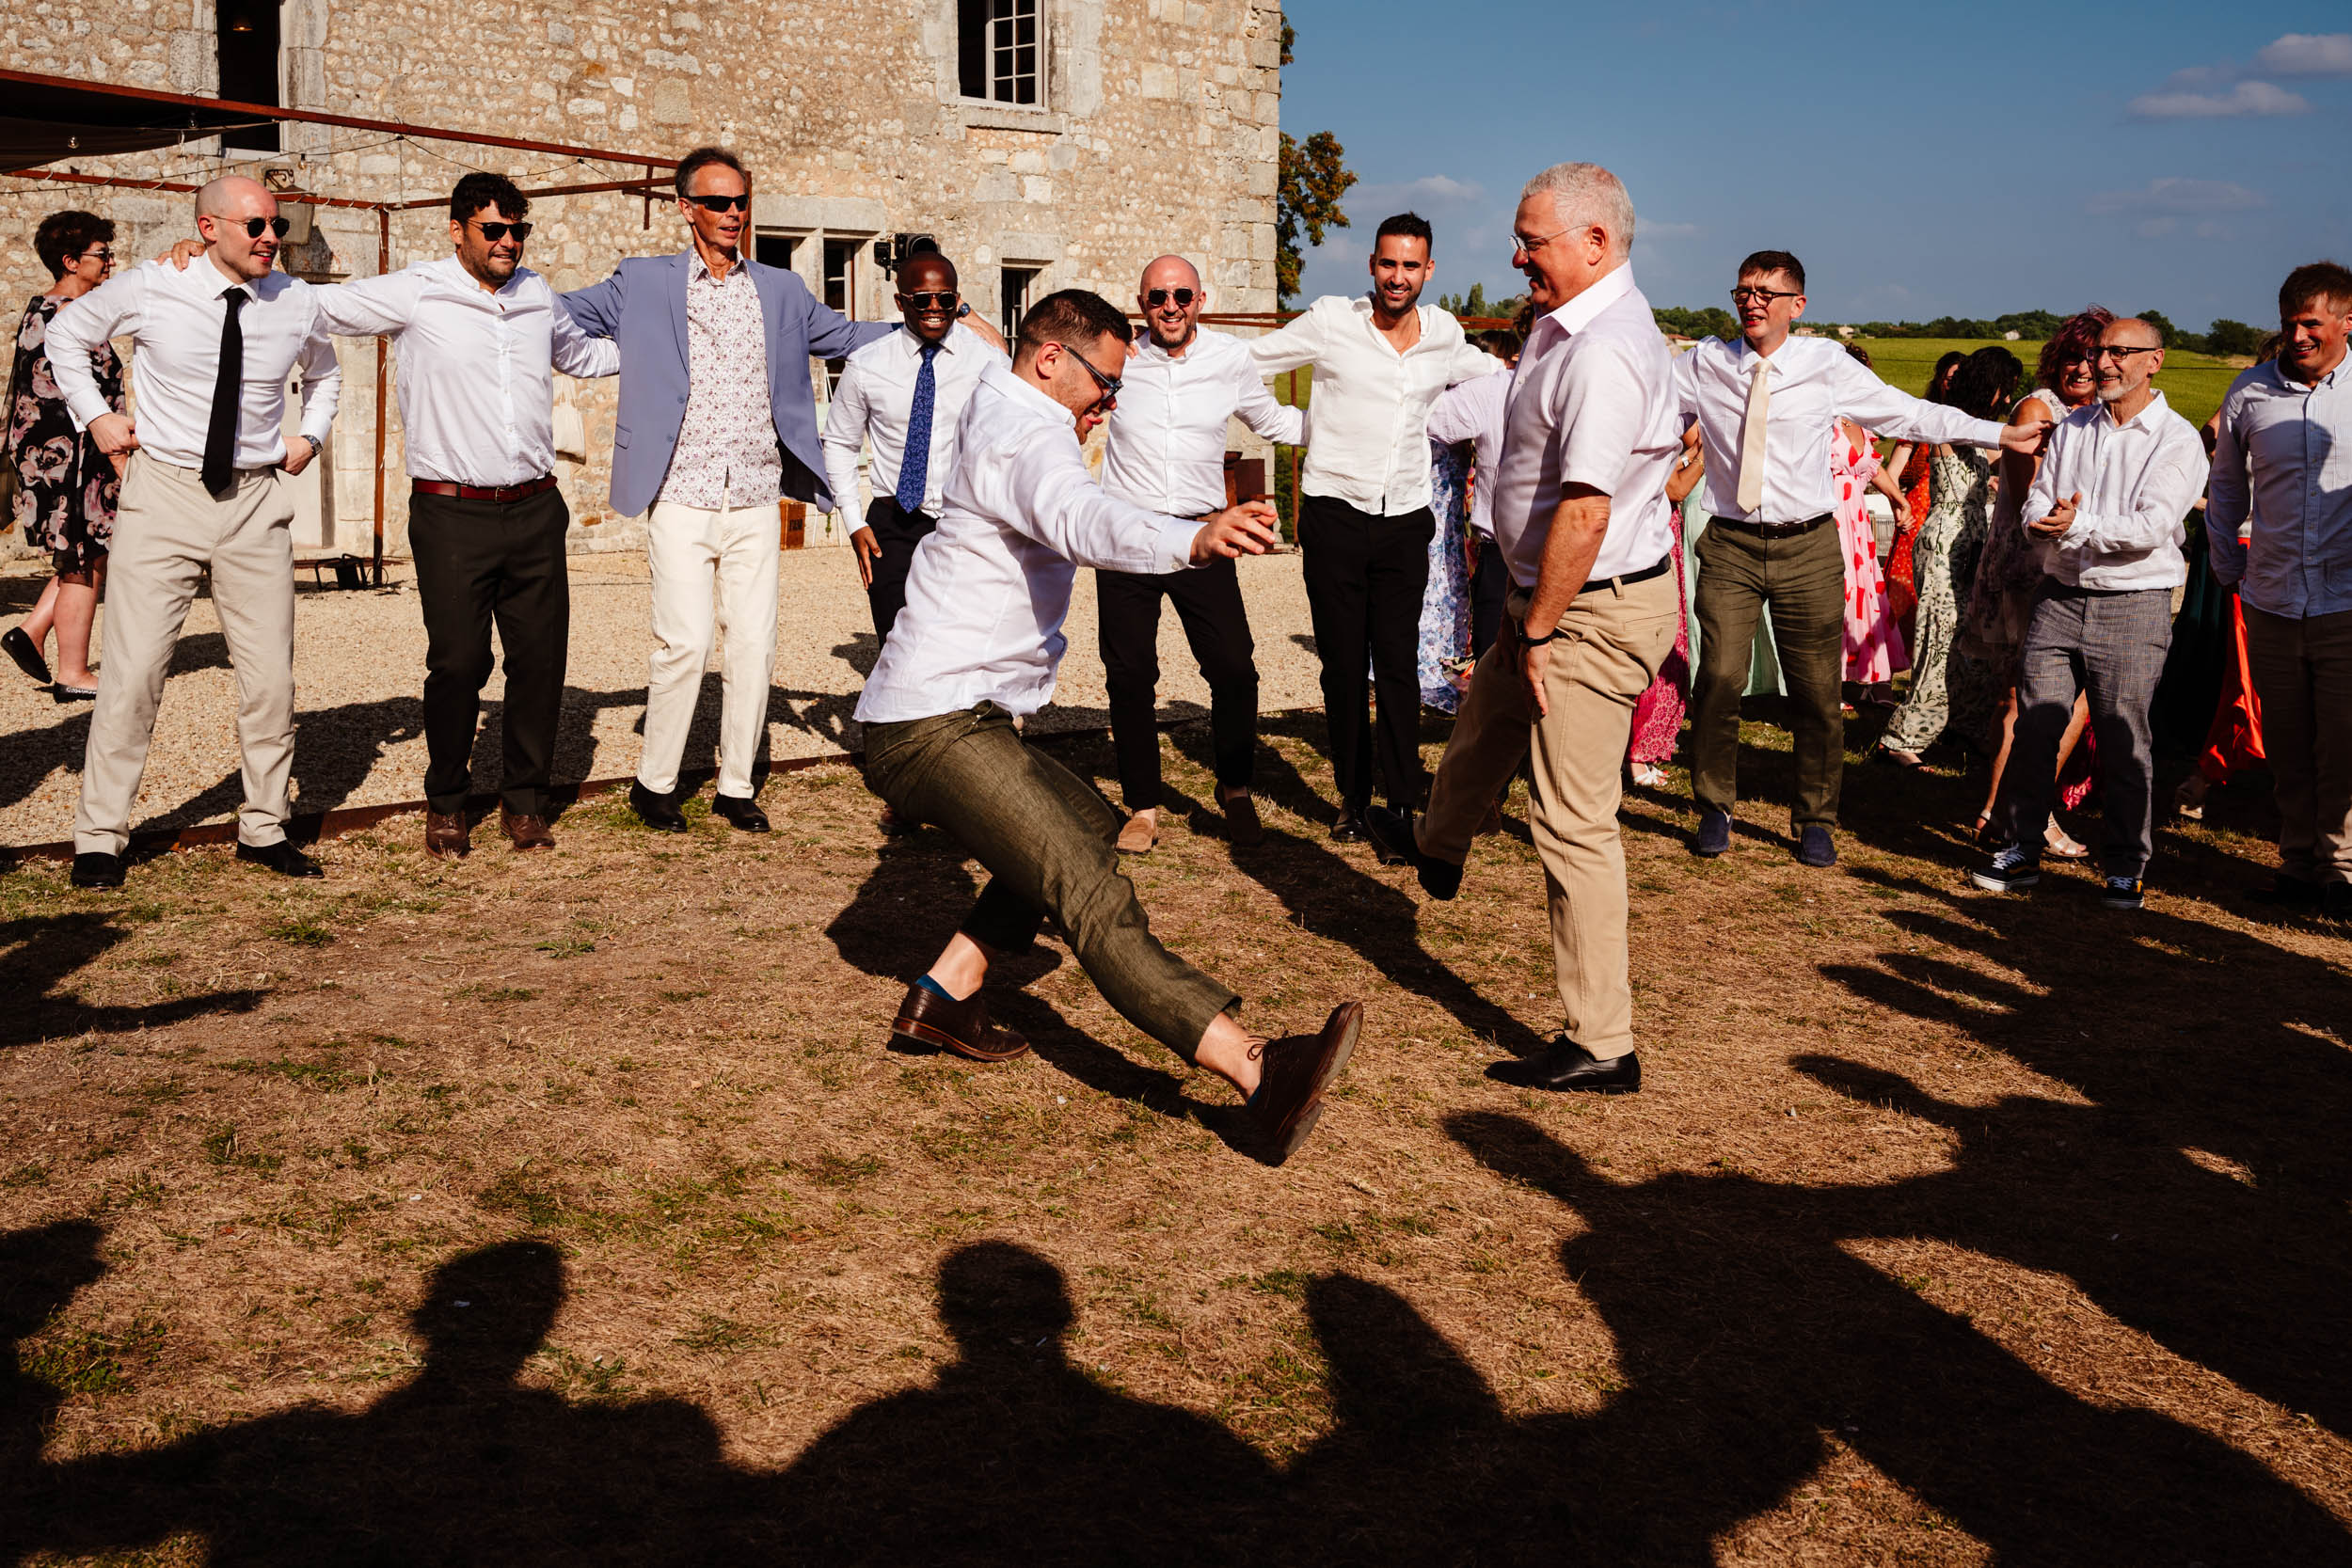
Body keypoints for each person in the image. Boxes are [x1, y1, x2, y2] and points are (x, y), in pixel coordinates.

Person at [853, 289, 1360, 1163]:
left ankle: (945, 993)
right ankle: (1256, 1070)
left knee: (1087, 824)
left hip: (951, 711)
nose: (1111, 402)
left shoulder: (1011, 405)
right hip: (932, 722)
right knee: (1090, 886)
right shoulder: (1024, 436)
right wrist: (1192, 539)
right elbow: (1083, 519)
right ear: (1051, 359)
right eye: (1105, 381)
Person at [1363, 162, 1682, 1095]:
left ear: (1594, 242)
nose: (1514, 255)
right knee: (1481, 728)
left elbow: (1584, 512)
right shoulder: (1559, 328)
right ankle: (1439, 844)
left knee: (1571, 820)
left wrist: (1538, 630)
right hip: (1548, 600)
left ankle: (1602, 1043)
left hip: (1589, 608)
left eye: (1530, 239)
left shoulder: (1604, 349)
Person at [560, 147, 900, 838]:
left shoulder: (779, 290)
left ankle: (736, 786)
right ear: (685, 208)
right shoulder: (644, 282)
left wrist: (933, 324)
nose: (734, 214)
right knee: (682, 643)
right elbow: (559, 312)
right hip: (679, 493)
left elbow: (847, 336)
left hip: (754, 496)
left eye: (741, 201)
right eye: (718, 202)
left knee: (753, 643)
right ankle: (655, 784)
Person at [283, 174, 618, 858]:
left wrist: (668, 352)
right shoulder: (417, 289)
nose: (509, 242)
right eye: (494, 230)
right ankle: (447, 801)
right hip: (450, 513)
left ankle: (524, 804)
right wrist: (215, 271)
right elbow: (318, 305)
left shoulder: (535, 294)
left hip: (535, 508)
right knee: (459, 664)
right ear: (457, 228)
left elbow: (580, 354)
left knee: (539, 663)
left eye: (518, 230)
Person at [1677, 257, 2045, 867]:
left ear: (1798, 304)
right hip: (1731, 542)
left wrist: (1998, 435)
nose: (1753, 301)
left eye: (1768, 292)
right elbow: (1639, 401)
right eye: (1744, 290)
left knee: (1819, 692)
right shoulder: (1706, 362)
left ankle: (1816, 817)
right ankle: (1716, 804)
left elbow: (1909, 413)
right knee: (1717, 680)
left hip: (1807, 546)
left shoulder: (1825, 364)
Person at [45, 175, 340, 889]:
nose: (273, 237)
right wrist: (95, 413)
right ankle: (99, 838)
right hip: (164, 495)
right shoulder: (155, 285)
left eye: (277, 225)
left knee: (269, 677)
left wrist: (311, 436)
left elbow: (327, 372)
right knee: (134, 673)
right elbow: (66, 331)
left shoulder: (296, 302)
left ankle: (264, 829)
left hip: (255, 501)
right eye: (256, 226)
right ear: (209, 229)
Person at [1249, 214, 1498, 840]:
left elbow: (1491, 377)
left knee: (1395, 665)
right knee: (1340, 665)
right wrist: (1299, 428)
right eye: (1388, 264)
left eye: (1410, 266)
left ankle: (1402, 805)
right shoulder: (1333, 321)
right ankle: (1352, 801)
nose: (1398, 276)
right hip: (1334, 514)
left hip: (1406, 521)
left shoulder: (1444, 333)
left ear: (1429, 271)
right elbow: (1250, 363)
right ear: (1372, 264)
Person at [1971, 318, 2204, 911]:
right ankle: (2021, 849)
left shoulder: (2175, 439)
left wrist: (2077, 525)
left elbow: (2152, 527)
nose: (2104, 363)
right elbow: (2037, 501)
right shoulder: (2074, 427)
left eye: (2119, 353)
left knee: (2125, 738)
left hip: (2132, 602)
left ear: (2154, 362)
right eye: (2100, 352)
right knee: (2036, 728)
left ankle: (2126, 865)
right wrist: (2043, 522)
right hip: (2060, 594)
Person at [1093, 254, 1301, 854]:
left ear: (1200, 300)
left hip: (1202, 538)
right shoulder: (1121, 360)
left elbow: (1277, 422)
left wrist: (1359, 426)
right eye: (1157, 297)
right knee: (1130, 674)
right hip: (1126, 537)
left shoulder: (1229, 360)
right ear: (1141, 304)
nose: (1170, 308)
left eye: (1181, 295)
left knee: (1234, 666)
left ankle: (1234, 788)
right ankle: (1142, 805)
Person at [2208, 261, 2352, 921]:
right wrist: (2225, 568)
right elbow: (2228, 488)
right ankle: (2297, 865)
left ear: (2347, 323)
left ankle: (2343, 870)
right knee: (2287, 742)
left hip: (2345, 600)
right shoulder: (2250, 393)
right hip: (2269, 596)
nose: (2296, 336)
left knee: (2343, 741)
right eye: (2289, 323)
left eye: (2311, 324)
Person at [1962, 310, 2111, 855]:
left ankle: (2010, 810)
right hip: (2031, 566)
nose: (2080, 367)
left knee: (2047, 695)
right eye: (2071, 356)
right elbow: (2032, 502)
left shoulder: (2101, 415)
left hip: (2072, 560)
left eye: (2091, 357)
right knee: (2040, 696)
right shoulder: (2038, 408)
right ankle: (2015, 813)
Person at [822, 247, 997, 645]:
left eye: (946, 299)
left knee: (964, 644)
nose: (935, 308)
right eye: (922, 299)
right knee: (898, 647)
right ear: (901, 301)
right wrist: (853, 522)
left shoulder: (986, 363)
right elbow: (840, 443)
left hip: (965, 525)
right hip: (893, 525)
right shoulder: (867, 366)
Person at [1877, 348, 2025, 769]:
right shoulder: (1952, 423)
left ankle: (1961, 722)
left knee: (1969, 641)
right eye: (2006, 388)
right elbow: (1991, 446)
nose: (2008, 397)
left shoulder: (1983, 430)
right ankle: (1901, 736)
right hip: (1945, 540)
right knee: (1937, 639)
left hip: (1974, 539)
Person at [4, 211, 119, 704]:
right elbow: (68, 399)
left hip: (65, 453)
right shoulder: (62, 315)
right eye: (101, 254)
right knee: (83, 558)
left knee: (87, 553)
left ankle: (31, 631)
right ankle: (73, 671)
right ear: (71, 261)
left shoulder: (53, 310)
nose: (110, 262)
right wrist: (117, 457)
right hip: (69, 455)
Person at [1425, 329, 1518, 657]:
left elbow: (1422, 416)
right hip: (1485, 542)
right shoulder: (1490, 391)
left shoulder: (1488, 391)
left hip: (1488, 541)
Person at [1830, 345, 1913, 703]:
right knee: (1838, 594)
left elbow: (1874, 469)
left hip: (1857, 520)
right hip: (1829, 516)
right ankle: (1833, 682)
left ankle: (1868, 676)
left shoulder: (1860, 423)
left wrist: (1898, 499)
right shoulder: (1820, 419)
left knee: (1866, 595)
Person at [1627, 427, 1704, 789]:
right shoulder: (1650, 417)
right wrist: (1704, 455)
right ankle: (1636, 754)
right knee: (1655, 642)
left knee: (1668, 642)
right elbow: (1675, 487)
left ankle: (1645, 747)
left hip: (1661, 531)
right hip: (1648, 536)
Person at [1883, 350, 1963, 646]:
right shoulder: (1922, 418)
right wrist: (1899, 506)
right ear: (1940, 380)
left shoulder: (1971, 422)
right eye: (1951, 377)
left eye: (1961, 378)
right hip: (1919, 512)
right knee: (1904, 590)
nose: (1955, 384)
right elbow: (1891, 474)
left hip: (1958, 518)